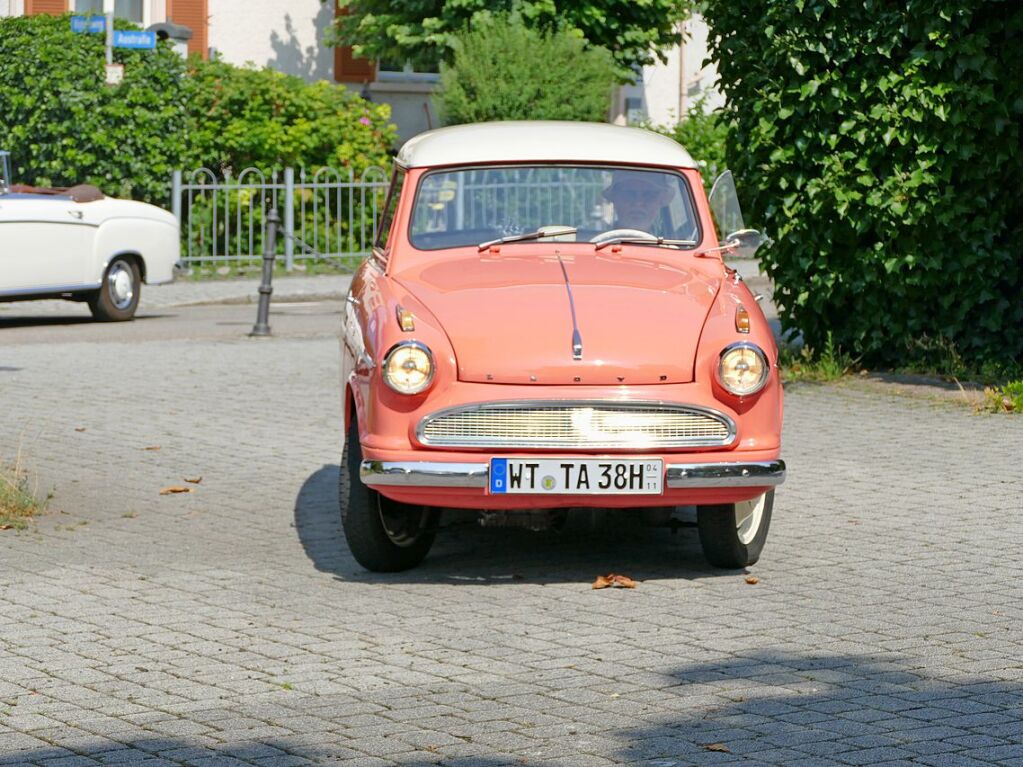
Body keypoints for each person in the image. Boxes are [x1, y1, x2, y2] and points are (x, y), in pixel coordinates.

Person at [602, 170, 674, 232]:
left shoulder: (672, 246)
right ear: (615, 199)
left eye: (649, 194)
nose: (638, 203)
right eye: (629, 193)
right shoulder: (595, 244)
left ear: (661, 200)